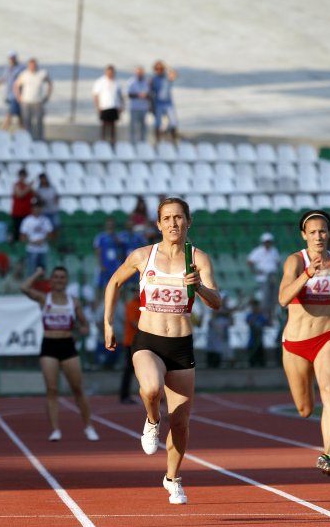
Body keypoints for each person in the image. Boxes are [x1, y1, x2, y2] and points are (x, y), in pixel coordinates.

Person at [103, 196, 222, 505]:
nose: (173, 223)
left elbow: (217, 302)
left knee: (181, 423)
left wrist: (200, 287)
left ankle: (172, 478)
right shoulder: (144, 255)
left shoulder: (199, 259)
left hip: (181, 346)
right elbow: (114, 283)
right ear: (158, 224)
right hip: (148, 341)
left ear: (188, 222)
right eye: (167, 218)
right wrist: (107, 323)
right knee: (151, 388)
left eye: (178, 217)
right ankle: (152, 420)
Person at [277, 209, 330, 476]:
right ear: (304, 235)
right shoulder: (294, 262)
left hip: (327, 338)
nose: (318, 236)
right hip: (295, 344)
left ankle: (328, 454)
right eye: (312, 232)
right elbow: (282, 298)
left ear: (329, 233)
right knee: (304, 408)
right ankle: (308, 404)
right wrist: (307, 275)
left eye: (322, 231)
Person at [21, 266, 99, 442]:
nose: (58, 280)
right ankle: (55, 429)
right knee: (51, 389)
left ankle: (88, 426)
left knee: (77, 389)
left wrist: (84, 328)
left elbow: (84, 323)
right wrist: (37, 273)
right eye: (55, 277)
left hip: (67, 345)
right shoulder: (44, 298)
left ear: (66, 280)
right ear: (51, 280)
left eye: (62, 277)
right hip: (49, 345)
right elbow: (24, 288)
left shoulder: (74, 301)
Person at [14, 58, 52, 141]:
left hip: (38, 102)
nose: (32, 67)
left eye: (34, 65)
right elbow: (16, 85)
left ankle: (39, 139)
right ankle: (28, 139)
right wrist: (18, 97)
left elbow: (50, 83)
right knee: (27, 122)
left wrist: (47, 96)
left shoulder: (42, 74)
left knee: (38, 122)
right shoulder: (24, 74)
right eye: (31, 65)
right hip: (26, 102)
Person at [247, 232, 280, 321]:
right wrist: (256, 271)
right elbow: (249, 261)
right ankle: (264, 317)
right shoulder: (258, 251)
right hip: (264, 278)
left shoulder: (274, 250)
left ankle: (270, 317)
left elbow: (277, 262)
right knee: (265, 299)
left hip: (272, 277)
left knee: (272, 298)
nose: (268, 243)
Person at [19, 200, 54, 276]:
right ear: (31, 208)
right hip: (31, 250)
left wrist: (42, 240)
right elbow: (22, 237)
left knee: (44, 272)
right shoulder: (27, 220)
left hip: (43, 249)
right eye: (35, 207)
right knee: (31, 272)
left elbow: (50, 234)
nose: (36, 209)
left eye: (38, 207)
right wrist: (33, 242)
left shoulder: (45, 220)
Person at [0, 51, 26, 130]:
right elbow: (4, 78)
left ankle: (3, 130)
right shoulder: (8, 68)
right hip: (9, 95)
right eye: (10, 58)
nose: (12, 59)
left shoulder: (21, 68)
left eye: (13, 58)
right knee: (19, 115)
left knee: (9, 113)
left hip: (17, 95)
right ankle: (24, 130)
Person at [119, 285, 140, 404]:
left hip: (141, 342)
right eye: (135, 291)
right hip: (131, 342)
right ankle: (124, 395)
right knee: (128, 370)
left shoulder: (144, 305)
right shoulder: (131, 305)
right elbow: (134, 323)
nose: (136, 293)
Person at [92, 64, 124, 144]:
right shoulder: (100, 81)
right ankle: (103, 140)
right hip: (104, 106)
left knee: (113, 125)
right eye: (109, 72)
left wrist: (121, 106)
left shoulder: (117, 82)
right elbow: (96, 95)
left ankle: (112, 141)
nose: (110, 74)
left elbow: (120, 95)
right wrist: (98, 106)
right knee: (104, 124)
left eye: (112, 72)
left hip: (114, 106)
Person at [150, 61, 178, 144]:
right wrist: (151, 106)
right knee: (157, 123)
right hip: (158, 103)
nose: (159, 70)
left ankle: (173, 141)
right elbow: (151, 93)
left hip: (168, 103)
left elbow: (175, 75)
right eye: (157, 69)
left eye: (161, 68)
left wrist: (166, 67)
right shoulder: (153, 79)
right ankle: (157, 141)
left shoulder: (167, 77)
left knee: (173, 122)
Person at [126, 65, 150, 142]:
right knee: (133, 127)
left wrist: (146, 96)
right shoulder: (131, 82)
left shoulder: (146, 82)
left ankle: (142, 142)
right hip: (134, 108)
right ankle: (132, 142)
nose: (139, 74)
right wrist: (139, 95)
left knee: (143, 127)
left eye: (141, 73)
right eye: (138, 73)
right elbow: (129, 95)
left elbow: (149, 94)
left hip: (143, 108)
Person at [11, 168, 35, 241]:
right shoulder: (16, 185)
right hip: (18, 212)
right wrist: (28, 187)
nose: (23, 177)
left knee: (27, 230)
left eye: (24, 175)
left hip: (27, 211)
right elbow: (20, 195)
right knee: (18, 230)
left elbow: (35, 195)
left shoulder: (28, 186)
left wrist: (30, 187)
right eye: (21, 175)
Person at [245, 299, 269, 367]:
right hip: (252, 342)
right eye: (253, 306)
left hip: (260, 343)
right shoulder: (249, 315)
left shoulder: (262, 316)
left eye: (256, 306)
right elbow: (249, 322)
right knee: (252, 362)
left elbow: (268, 323)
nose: (254, 308)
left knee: (262, 363)